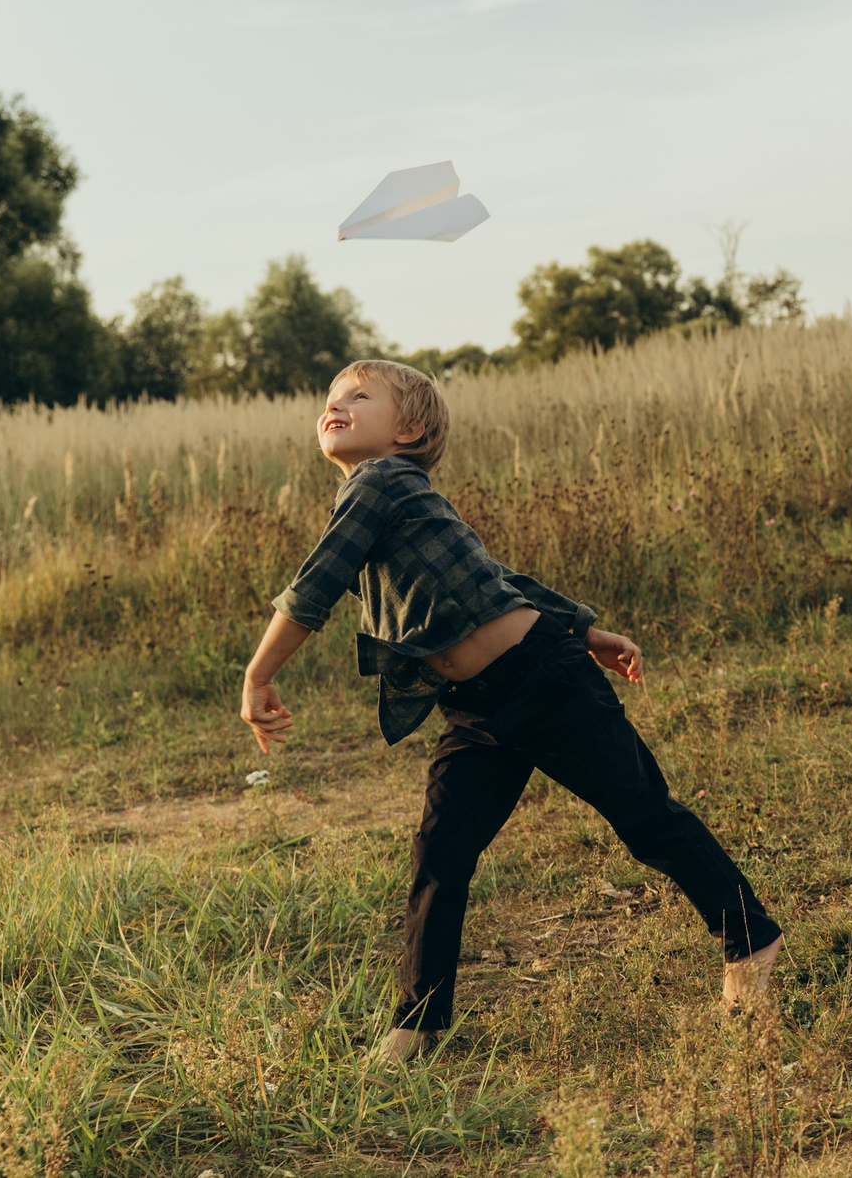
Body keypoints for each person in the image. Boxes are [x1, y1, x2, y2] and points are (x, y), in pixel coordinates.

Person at [239, 359, 782, 1062]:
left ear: (407, 431)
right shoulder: (389, 500)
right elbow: (494, 577)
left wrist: (258, 674)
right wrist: (587, 627)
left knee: (646, 816)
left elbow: (315, 583)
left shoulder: (382, 481)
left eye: (358, 396)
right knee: (442, 852)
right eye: (331, 397)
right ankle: (419, 1019)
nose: (334, 404)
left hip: (545, 681)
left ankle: (751, 938)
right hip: (475, 711)